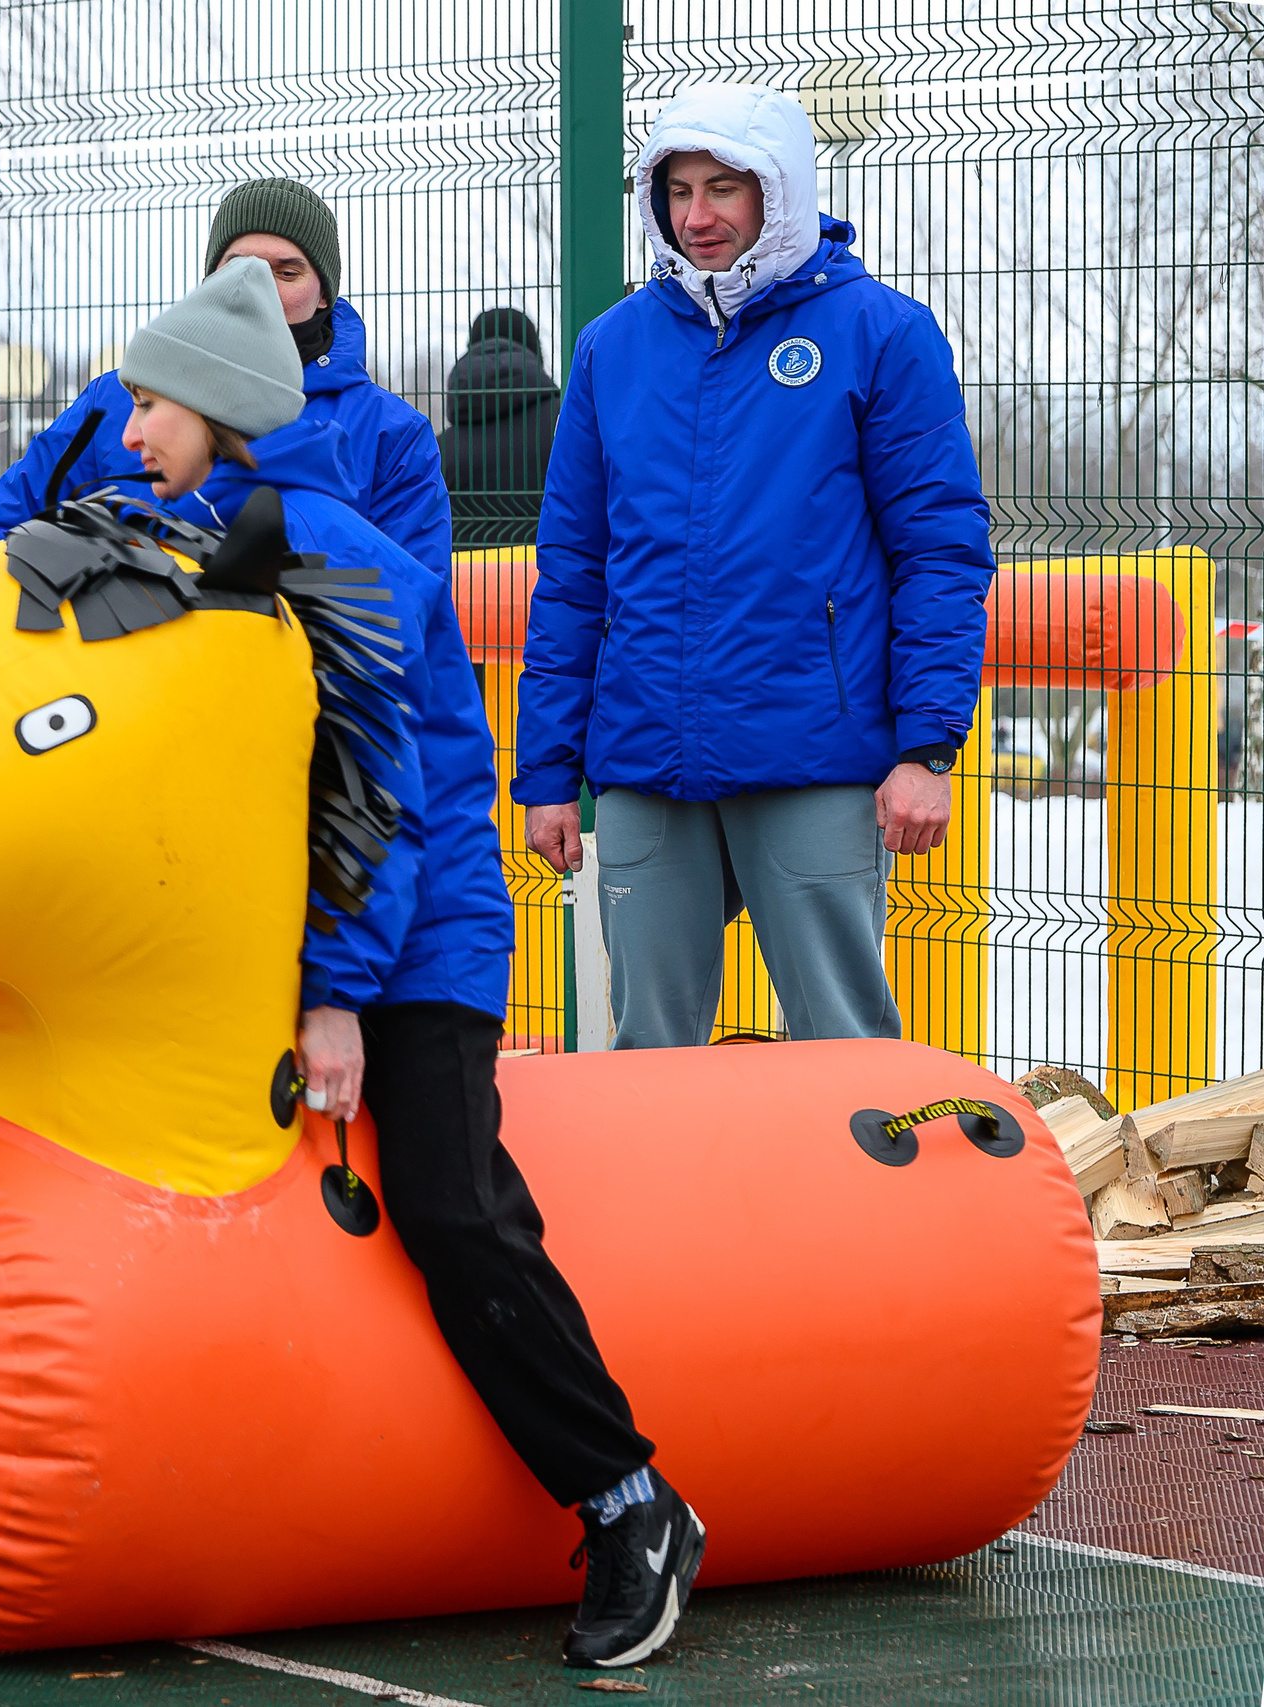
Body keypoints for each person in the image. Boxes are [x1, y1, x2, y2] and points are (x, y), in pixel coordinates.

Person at [124, 260, 703, 1671]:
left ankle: (631, 1494)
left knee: (455, 1209)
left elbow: (378, 791)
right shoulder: (225, 532)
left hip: (421, 937)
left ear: (219, 408)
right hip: (317, 932)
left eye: (151, 401)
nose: (130, 427)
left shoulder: (331, 550)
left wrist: (338, 992)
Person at [516, 84, 993, 1049]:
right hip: (647, 751)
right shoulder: (613, 348)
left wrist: (926, 747)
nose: (698, 217)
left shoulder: (881, 333)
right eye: (678, 191)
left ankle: (861, 1207)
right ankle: (663, 1208)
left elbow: (940, 550)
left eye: (725, 189)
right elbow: (573, 571)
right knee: (649, 1047)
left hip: (814, 748)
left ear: (781, 192)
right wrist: (548, 771)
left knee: (840, 1038)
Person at [0, 177, 448, 565]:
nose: (259, 287)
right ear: (210, 281)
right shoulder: (112, 402)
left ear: (324, 293)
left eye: (286, 272)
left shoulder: (392, 434)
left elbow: (411, 613)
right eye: (239, 267)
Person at [437, 307, 561, 548]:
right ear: (535, 351)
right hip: (552, 578)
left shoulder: (436, 450)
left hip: (465, 581)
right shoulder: (566, 429)